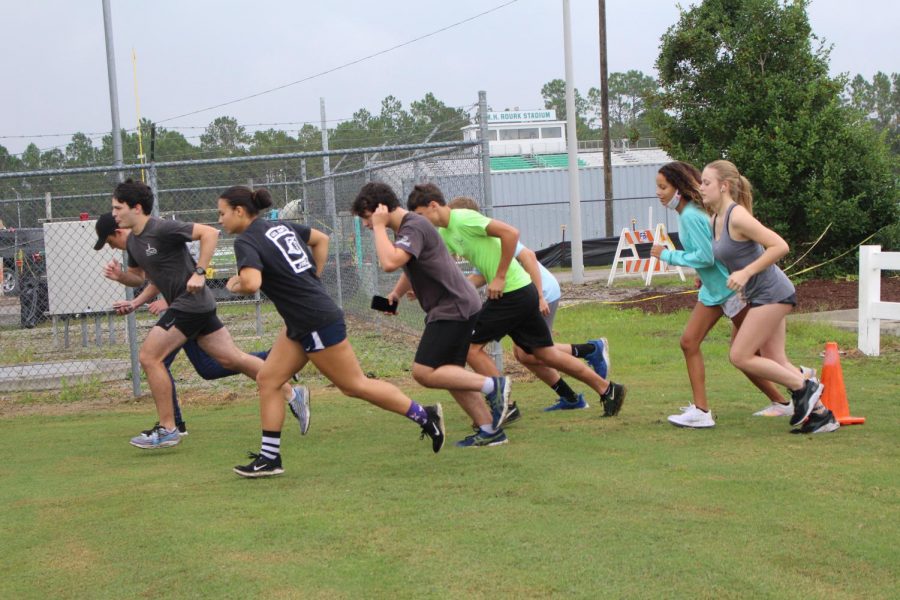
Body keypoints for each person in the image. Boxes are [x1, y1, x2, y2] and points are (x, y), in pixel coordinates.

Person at [218, 185, 446, 477]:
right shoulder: (279, 226)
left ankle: (425, 415)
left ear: (239, 211)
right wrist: (314, 276)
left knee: (354, 385)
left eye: (222, 213)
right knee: (269, 380)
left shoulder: (246, 241)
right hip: (302, 320)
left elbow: (251, 283)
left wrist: (233, 283)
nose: (220, 220)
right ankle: (269, 458)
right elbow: (321, 239)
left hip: (314, 320)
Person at [101, 179, 302, 450]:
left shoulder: (161, 227)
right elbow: (138, 278)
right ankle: (292, 392)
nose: (113, 213)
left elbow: (210, 233)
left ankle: (169, 428)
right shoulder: (135, 243)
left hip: (190, 303)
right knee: (231, 359)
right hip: (196, 306)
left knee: (150, 357)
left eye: (117, 207)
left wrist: (200, 272)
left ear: (136, 208)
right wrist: (121, 277)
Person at [407, 183, 626, 420]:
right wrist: (420, 288)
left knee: (470, 346)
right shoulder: (445, 233)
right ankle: (607, 389)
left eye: (420, 215)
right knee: (545, 354)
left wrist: (500, 276)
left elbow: (511, 233)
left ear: (433, 206)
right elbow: (443, 268)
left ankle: (504, 403)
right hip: (520, 292)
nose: (420, 222)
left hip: (513, 292)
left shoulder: (464, 218)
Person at [649, 162, 814, 429]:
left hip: (729, 292)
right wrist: (704, 272)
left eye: (663, 187)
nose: (658, 192)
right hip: (714, 290)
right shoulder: (700, 215)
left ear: (678, 188)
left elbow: (708, 254)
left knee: (748, 355)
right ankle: (785, 396)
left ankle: (798, 386)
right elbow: (713, 253)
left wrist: (667, 255)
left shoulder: (694, 215)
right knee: (707, 346)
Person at [351, 182, 512, 448]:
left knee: (424, 372)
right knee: (449, 372)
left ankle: (493, 386)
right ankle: (489, 430)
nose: (367, 225)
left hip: (454, 306)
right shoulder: (408, 228)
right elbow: (409, 264)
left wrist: (379, 227)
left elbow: (390, 263)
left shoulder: (413, 225)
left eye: (367, 218)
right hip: (453, 305)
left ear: (380, 209)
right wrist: (395, 295)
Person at [700, 160, 837, 434]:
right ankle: (822, 417)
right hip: (760, 295)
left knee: (740, 355)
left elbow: (780, 246)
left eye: (706, 182)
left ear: (724, 186)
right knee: (775, 360)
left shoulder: (737, 216)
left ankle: (804, 385)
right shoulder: (715, 218)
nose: (700, 187)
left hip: (773, 293)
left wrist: (746, 273)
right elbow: (731, 256)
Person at [447, 196, 610, 418]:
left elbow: (529, 257)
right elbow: (481, 276)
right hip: (524, 294)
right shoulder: (473, 238)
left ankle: (590, 353)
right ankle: (575, 389)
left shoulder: (486, 230)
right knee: (529, 353)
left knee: (535, 352)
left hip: (538, 292)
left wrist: (540, 295)